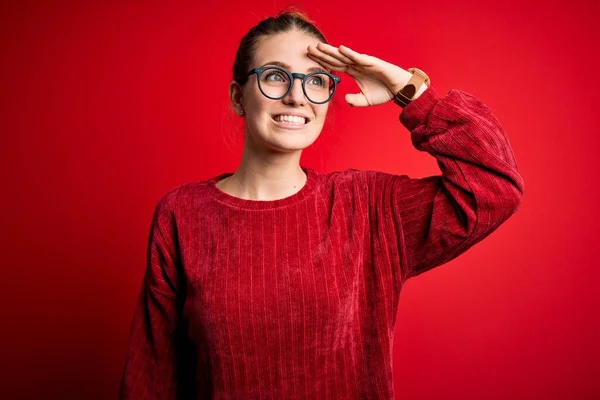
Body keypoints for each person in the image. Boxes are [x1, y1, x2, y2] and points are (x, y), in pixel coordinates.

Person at [118, 8, 524, 400]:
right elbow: (153, 376)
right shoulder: (183, 213)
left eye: (315, 81)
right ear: (238, 97)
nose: (297, 97)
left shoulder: (369, 208)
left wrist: (410, 90)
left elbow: (494, 185)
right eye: (276, 77)